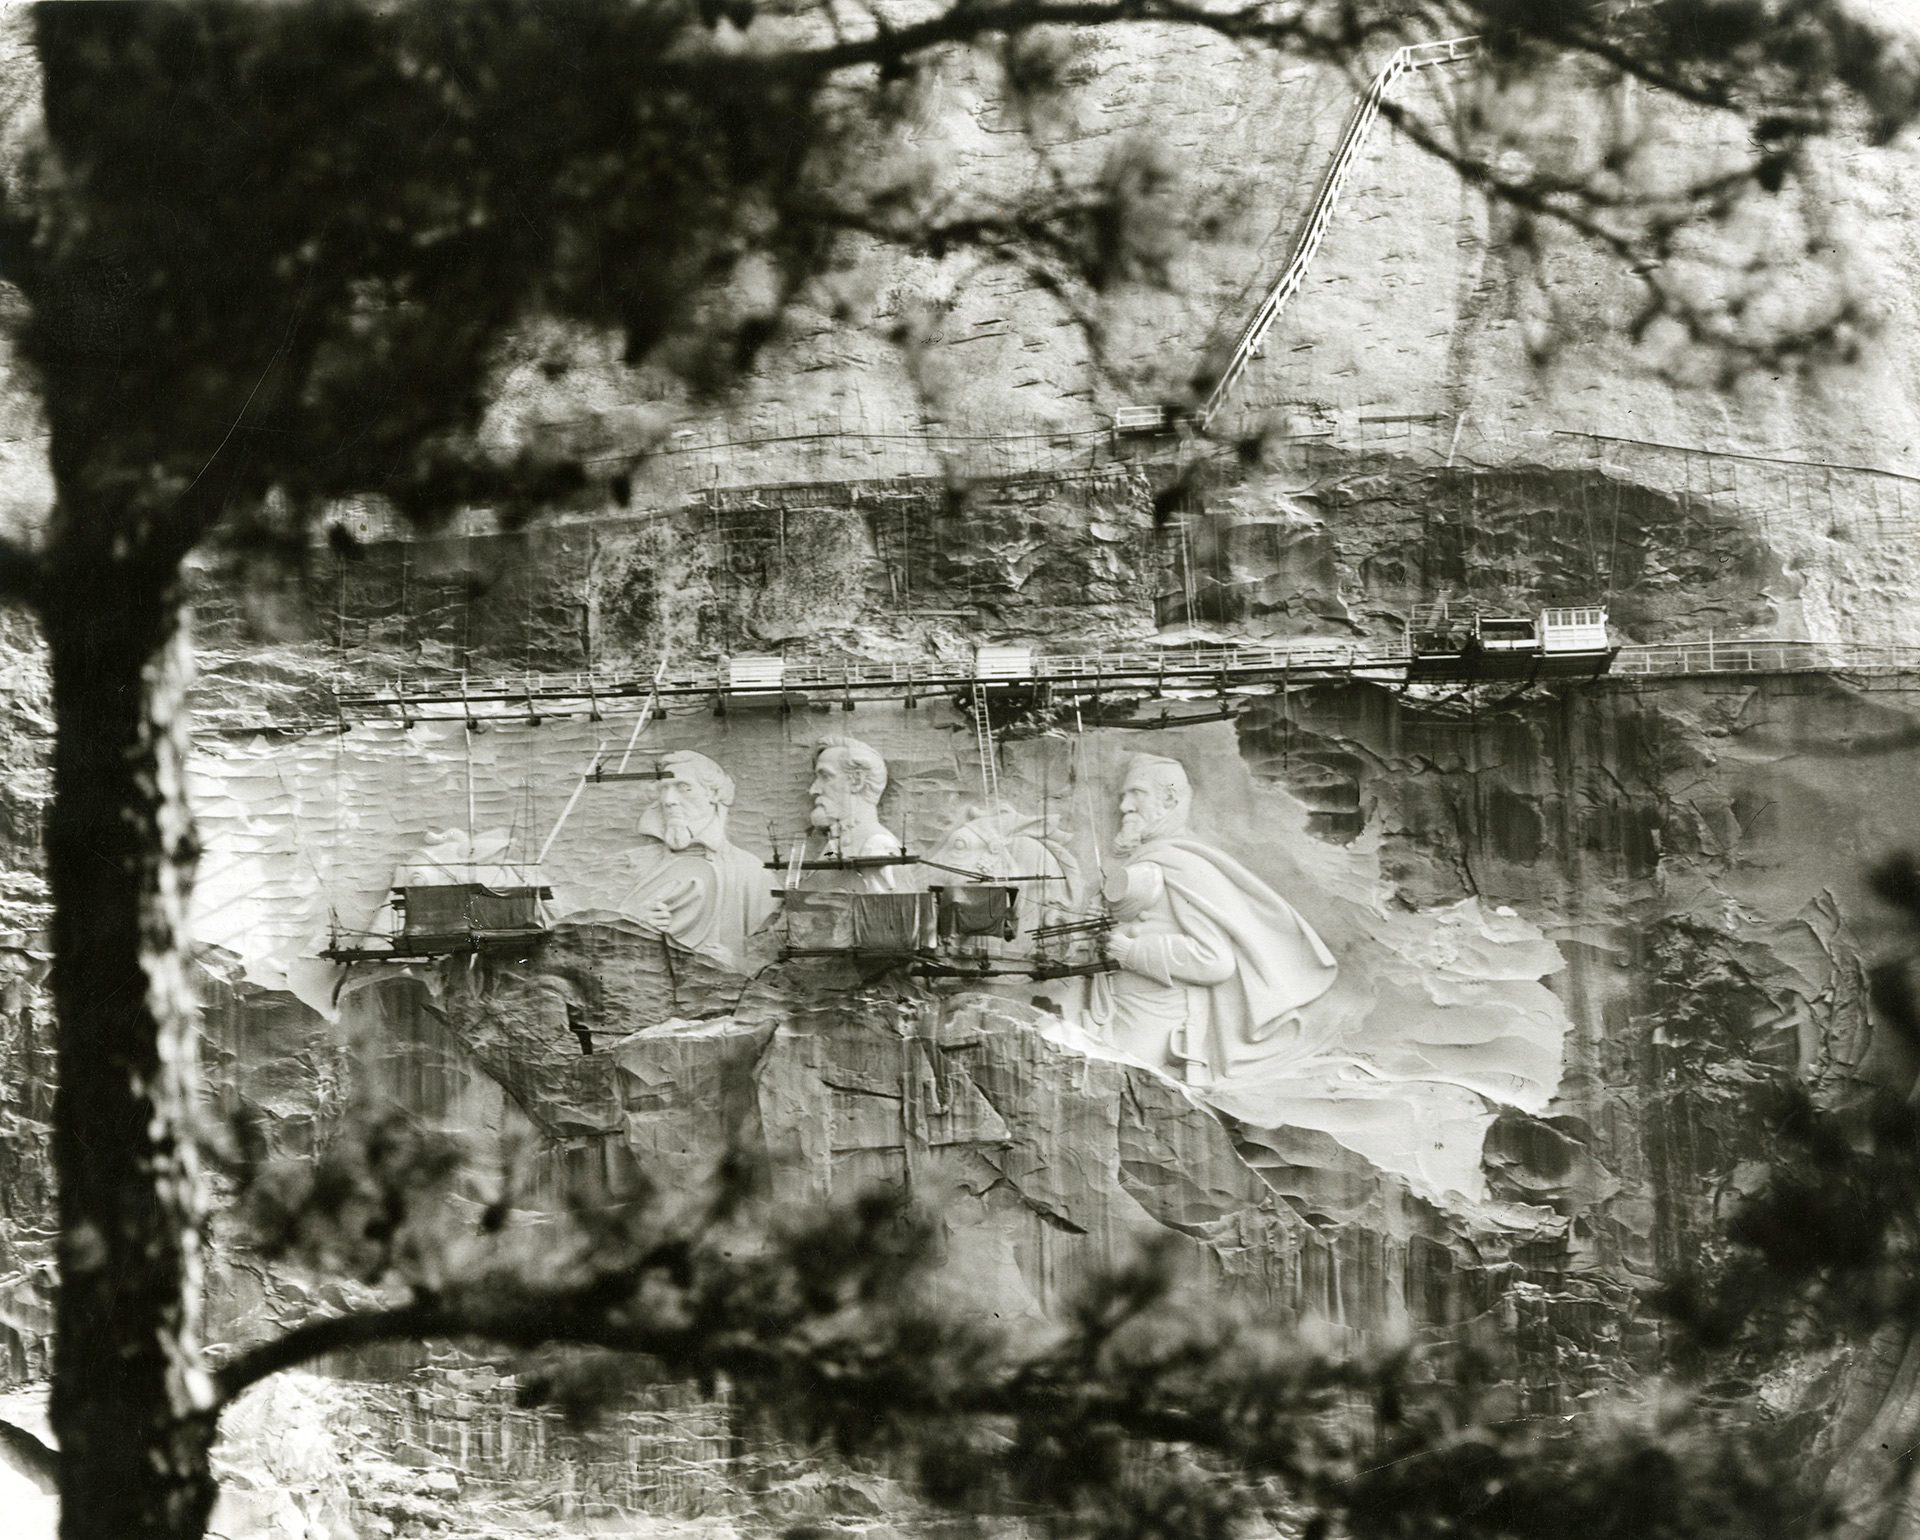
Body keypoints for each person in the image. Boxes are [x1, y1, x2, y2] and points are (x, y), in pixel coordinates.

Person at [1088, 755, 1338, 1086]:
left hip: (1155, 1024)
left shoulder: (1186, 866)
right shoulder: (1150, 859)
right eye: (1123, 795)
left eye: (1136, 793)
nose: (1123, 806)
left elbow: (1215, 961)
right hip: (1112, 1008)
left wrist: (1133, 952)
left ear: (1170, 800)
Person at [618, 750, 774, 971]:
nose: (669, 800)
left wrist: (737, 965)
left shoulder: (753, 873)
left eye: (683, 787)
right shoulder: (631, 864)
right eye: (664, 789)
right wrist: (631, 926)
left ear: (713, 793)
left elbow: (776, 960)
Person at [804, 735, 903, 892]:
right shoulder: (834, 845)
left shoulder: (877, 844)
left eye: (825, 777)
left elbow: (884, 908)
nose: (813, 790)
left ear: (857, 781)